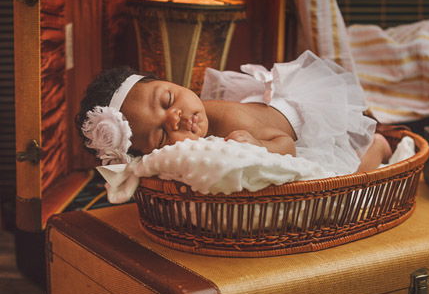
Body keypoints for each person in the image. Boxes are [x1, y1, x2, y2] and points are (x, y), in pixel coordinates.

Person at [76, 51, 391, 174]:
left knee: (345, 184)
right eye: (160, 136)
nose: (174, 119)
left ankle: (376, 146)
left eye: (168, 99)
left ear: (168, 80)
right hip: (266, 116)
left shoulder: (231, 121)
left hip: (299, 128)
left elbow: (288, 145)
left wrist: (260, 148)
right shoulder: (195, 138)